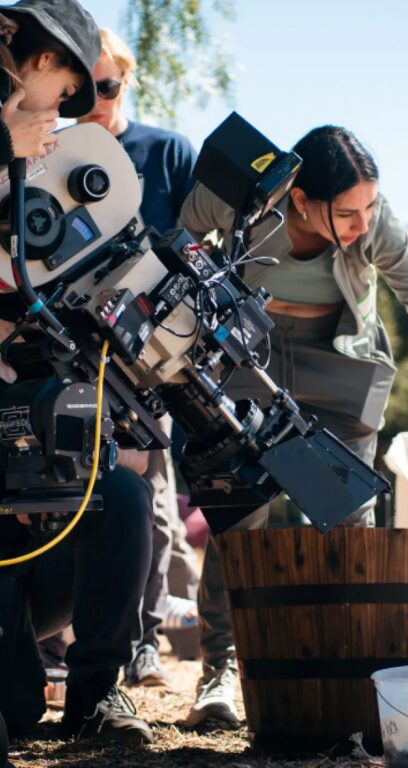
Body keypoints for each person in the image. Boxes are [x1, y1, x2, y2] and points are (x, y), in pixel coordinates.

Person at [179, 124, 408, 725]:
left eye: (370, 206)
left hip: (340, 359)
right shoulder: (240, 194)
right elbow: (175, 247)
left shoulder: (374, 218)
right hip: (247, 355)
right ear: (301, 200)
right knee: (238, 516)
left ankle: (353, 664)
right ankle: (223, 671)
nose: (363, 222)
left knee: (346, 513)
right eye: (348, 212)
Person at [0, 0, 153, 746]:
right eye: (64, 86)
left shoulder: (39, 162)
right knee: (17, 715)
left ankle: (96, 692)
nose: (65, 105)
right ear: (36, 60)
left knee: (120, 489)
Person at [78, 28, 200, 687]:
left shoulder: (166, 150)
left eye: (109, 85)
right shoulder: (58, 152)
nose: (97, 100)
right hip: (76, 343)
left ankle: (143, 645)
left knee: (151, 494)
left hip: (151, 343)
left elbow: (191, 244)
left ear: (128, 81)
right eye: (83, 89)